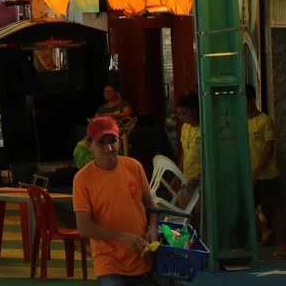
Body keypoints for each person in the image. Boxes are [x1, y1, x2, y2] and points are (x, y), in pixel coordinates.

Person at [73, 117, 158, 286]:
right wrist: (121, 237)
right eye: (101, 143)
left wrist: (153, 229)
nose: (108, 148)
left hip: (142, 255)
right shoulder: (82, 179)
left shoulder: (135, 167)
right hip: (108, 261)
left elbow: (151, 206)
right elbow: (84, 228)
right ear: (89, 145)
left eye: (112, 141)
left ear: (120, 141)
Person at [247, 83, 286, 259]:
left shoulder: (264, 121)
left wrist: (256, 172)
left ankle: (282, 246)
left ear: (251, 100)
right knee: (245, 208)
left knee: (273, 209)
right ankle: (264, 230)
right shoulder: (239, 121)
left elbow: (268, 150)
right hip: (247, 174)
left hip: (266, 174)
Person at [175, 92, 201, 209]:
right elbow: (184, 153)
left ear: (195, 110)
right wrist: (178, 175)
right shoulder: (185, 127)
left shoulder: (204, 129)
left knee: (201, 214)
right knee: (185, 213)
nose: (182, 118)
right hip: (187, 179)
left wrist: (198, 178)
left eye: (185, 114)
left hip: (201, 180)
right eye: (179, 115)